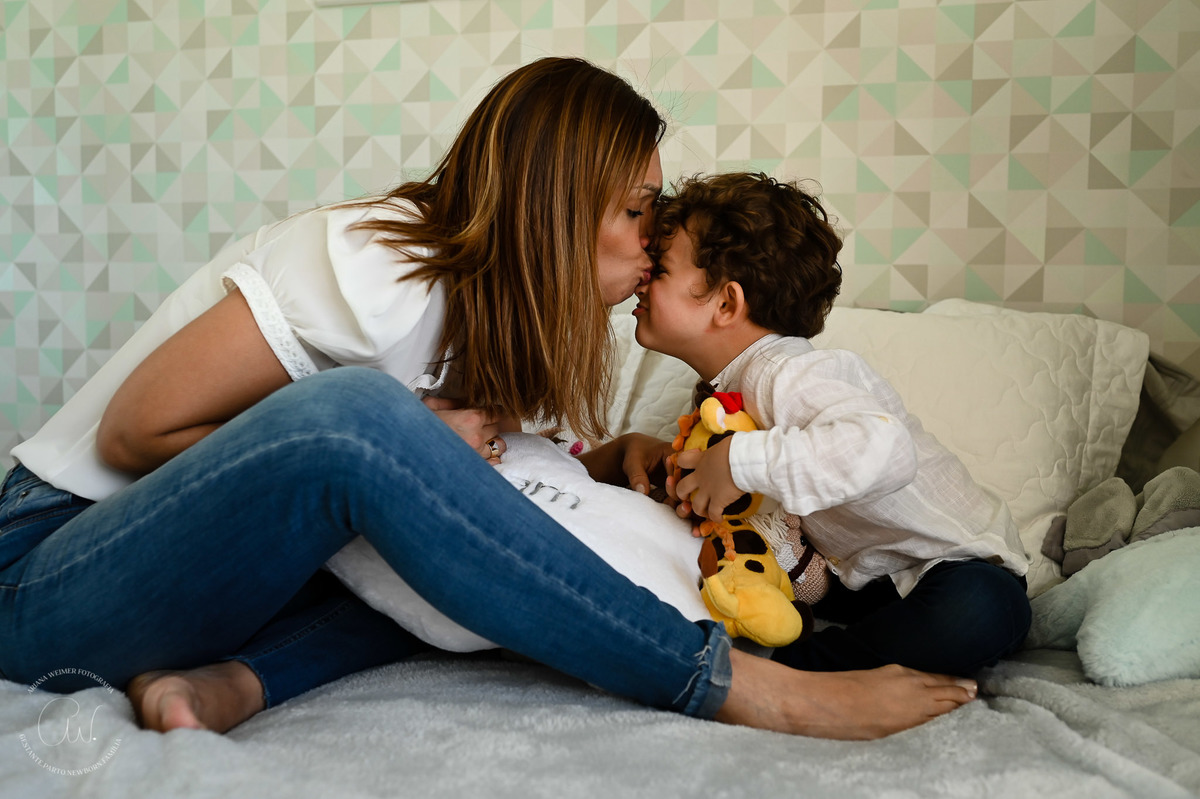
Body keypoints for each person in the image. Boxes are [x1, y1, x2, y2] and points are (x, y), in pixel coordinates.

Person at [0, 59, 977, 742]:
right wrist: (410, 442)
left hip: (208, 600)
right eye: (636, 209)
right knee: (364, 422)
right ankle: (733, 685)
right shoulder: (374, 264)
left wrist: (611, 459)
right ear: (557, 206)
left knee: (458, 546)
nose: (655, 239)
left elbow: (453, 494)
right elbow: (137, 430)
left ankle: (236, 682)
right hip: (50, 571)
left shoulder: (498, 322)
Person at [632, 172, 1032, 677]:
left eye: (660, 269)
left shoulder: (789, 373)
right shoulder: (719, 395)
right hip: (856, 580)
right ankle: (788, 642)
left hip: (955, 565)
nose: (641, 279)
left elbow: (887, 448)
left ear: (726, 303)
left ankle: (796, 670)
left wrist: (735, 462)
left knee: (979, 612)